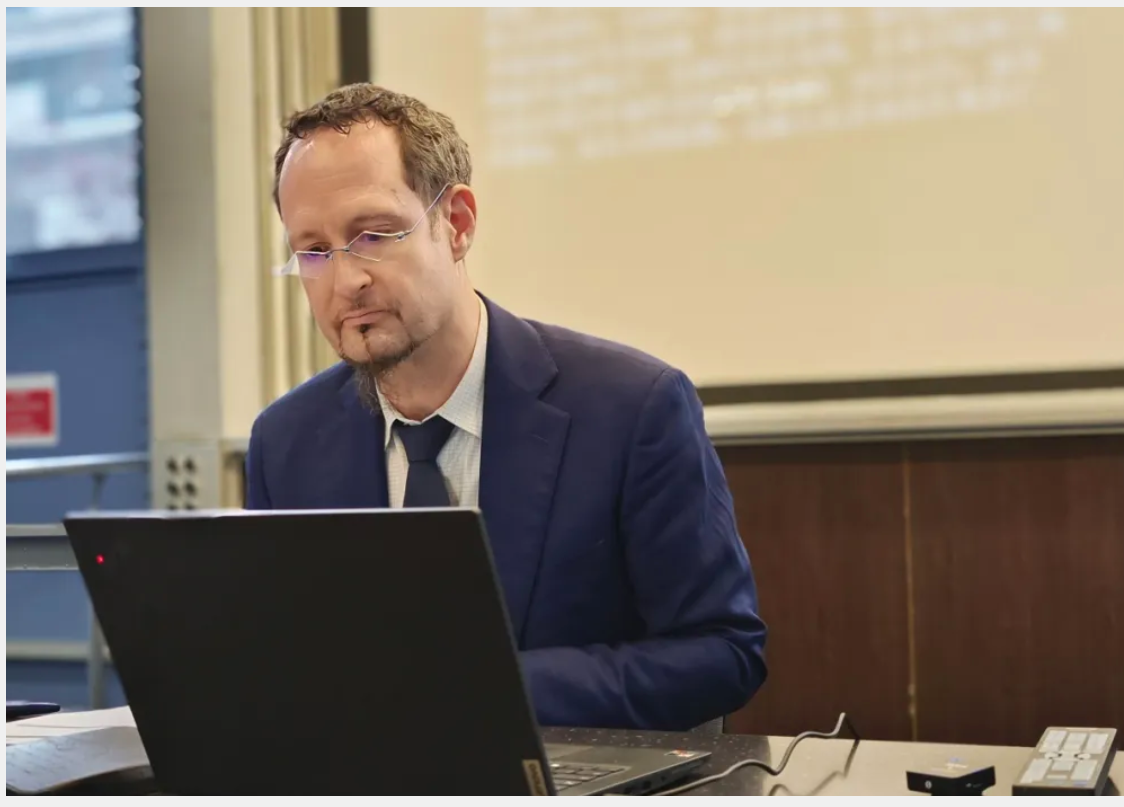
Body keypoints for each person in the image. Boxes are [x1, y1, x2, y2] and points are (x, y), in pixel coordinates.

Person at [244, 83, 767, 731]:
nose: (345, 280)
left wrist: (484, 686)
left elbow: (721, 653)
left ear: (457, 224)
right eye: (314, 251)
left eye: (374, 235)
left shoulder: (631, 408)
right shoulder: (286, 440)